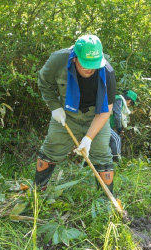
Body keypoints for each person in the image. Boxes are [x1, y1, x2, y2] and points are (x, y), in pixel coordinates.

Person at [34, 35, 117, 194]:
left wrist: (88, 138)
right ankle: (37, 192)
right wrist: (54, 106)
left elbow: (106, 109)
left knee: (102, 153)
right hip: (67, 112)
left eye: (94, 65)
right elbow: (44, 82)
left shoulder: (107, 71)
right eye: (85, 64)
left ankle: (105, 201)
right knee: (52, 146)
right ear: (74, 58)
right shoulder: (58, 61)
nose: (90, 70)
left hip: (96, 115)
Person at [109, 90, 137, 162]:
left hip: (105, 123)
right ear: (129, 101)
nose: (129, 105)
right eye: (131, 104)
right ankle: (117, 161)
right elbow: (117, 116)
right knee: (116, 139)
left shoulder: (117, 99)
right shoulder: (119, 100)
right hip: (103, 123)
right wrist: (119, 129)